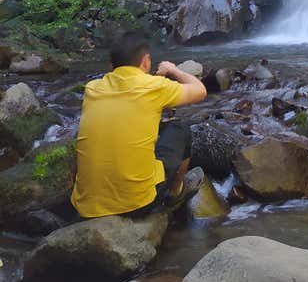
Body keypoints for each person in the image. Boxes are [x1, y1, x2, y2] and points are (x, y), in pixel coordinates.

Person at [70, 32, 208, 218]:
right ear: (145, 62)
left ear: (111, 66)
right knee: (180, 130)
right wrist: (173, 70)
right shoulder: (153, 86)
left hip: (87, 206)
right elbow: (200, 90)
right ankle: (175, 194)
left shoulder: (92, 88)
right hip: (138, 204)